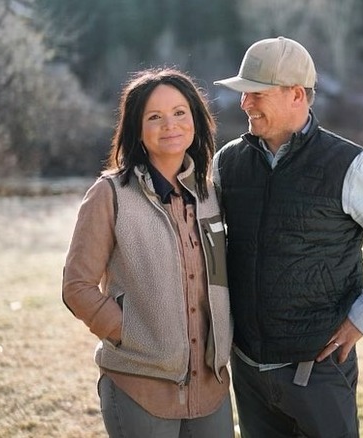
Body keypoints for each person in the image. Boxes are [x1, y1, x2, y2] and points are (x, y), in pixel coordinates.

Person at [212, 36, 363, 437]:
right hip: (248, 370)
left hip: (318, 372)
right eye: (243, 94)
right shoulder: (227, 163)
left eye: (255, 93)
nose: (244, 104)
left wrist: (361, 319)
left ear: (296, 95)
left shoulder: (350, 165)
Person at [62, 68, 234, 438]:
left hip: (212, 387)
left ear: (195, 121)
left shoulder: (210, 194)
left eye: (179, 112)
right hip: (139, 388)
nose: (169, 124)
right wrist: (128, 334)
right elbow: (77, 287)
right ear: (136, 128)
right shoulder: (110, 195)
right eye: (154, 117)